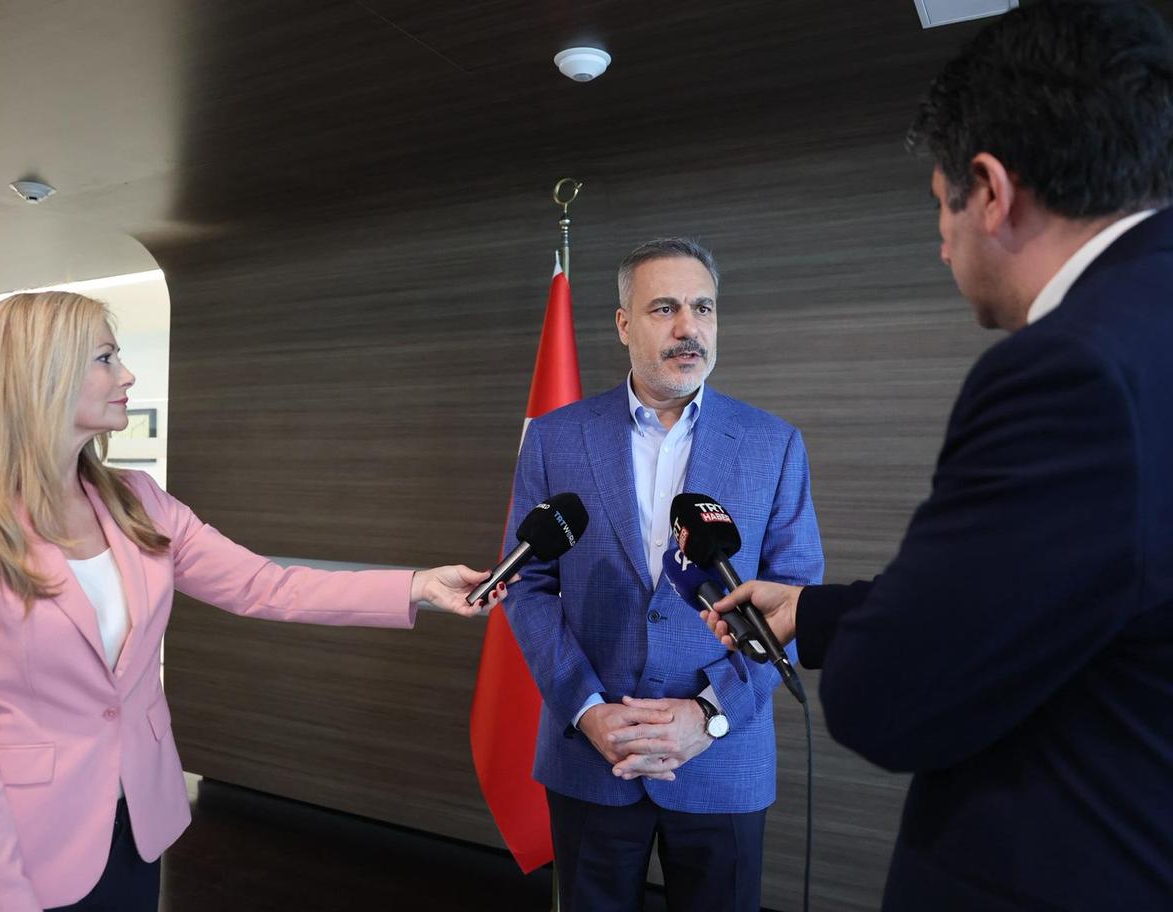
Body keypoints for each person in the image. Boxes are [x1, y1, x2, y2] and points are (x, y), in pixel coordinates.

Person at [703, 2, 1173, 909]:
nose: (941, 240)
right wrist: (819, 613)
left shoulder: (1069, 373)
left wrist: (863, 652)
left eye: (939, 206)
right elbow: (1061, 598)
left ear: (990, 190)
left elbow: (890, 699)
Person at [0, 291, 504, 912]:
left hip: (133, 835)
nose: (127, 375)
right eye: (106, 358)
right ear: (40, 376)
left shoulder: (137, 500)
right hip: (9, 857)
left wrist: (416, 586)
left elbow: (264, 584)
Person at [502, 237, 824, 912]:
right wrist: (588, 710)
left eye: (703, 308)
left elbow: (794, 602)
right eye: (665, 308)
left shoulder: (774, 444)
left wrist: (706, 716)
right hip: (594, 755)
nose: (689, 328)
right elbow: (528, 586)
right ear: (624, 324)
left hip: (721, 760)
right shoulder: (556, 438)